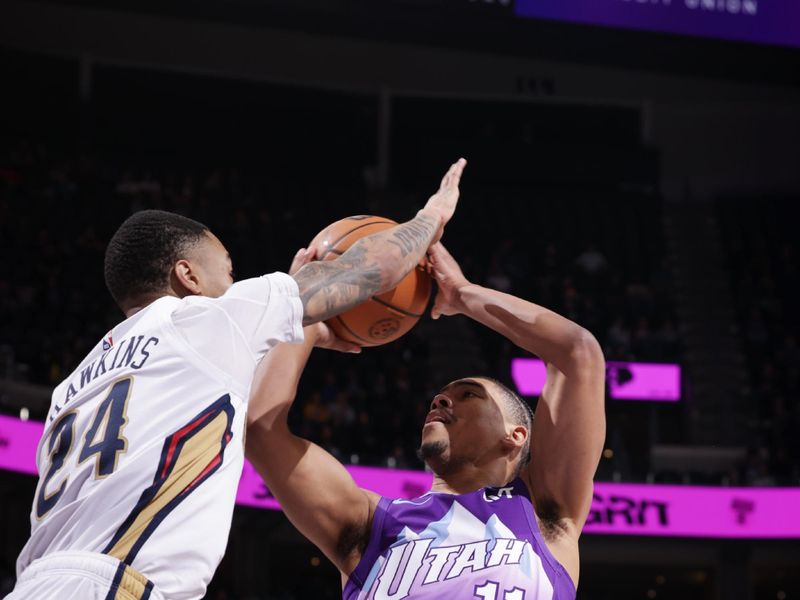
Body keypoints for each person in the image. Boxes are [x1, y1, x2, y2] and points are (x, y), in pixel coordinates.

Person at [9, 158, 467, 600]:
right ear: (187, 275)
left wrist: (295, 328)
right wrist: (432, 215)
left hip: (35, 581)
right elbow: (376, 267)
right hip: (112, 584)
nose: (234, 282)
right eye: (227, 270)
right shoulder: (203, 320)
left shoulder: (74, 383)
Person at [246, 242, 606, 600]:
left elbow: (576, 353)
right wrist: (300, 312)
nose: (441, 399)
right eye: (441, 396)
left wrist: (463, 295)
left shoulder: (543, 513)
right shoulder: (372, 524)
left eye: (468, 394)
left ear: (515, 436)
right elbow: (261, 430)